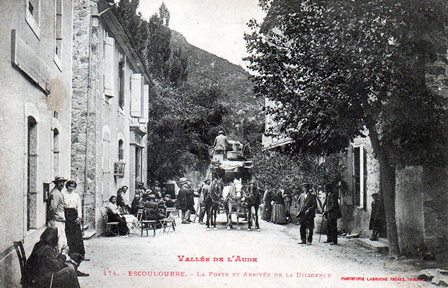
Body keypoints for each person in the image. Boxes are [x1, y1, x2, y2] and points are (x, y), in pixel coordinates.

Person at [62, 180, 89, 276]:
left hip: (74, 215)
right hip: (66, 215)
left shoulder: (76, 195)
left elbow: (79, 207)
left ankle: (78, 254)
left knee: (76, 235)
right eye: (70, 186)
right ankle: (70, 253)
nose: (71, 188)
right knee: (68, 234)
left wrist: (79, 217)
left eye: (73, 186)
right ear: (67, 186)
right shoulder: (63, 194)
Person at [48, 176, 68, 252]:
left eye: (63, 182)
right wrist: (52, 219)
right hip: (57, 220)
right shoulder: (56, 193)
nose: (62, 184)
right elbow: (52, 208)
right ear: (56, 183)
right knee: (59, 240)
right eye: (60, 182)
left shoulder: (58, 192)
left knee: (61, 240)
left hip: (59, 219)